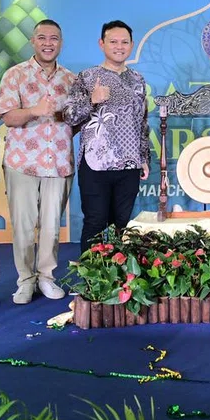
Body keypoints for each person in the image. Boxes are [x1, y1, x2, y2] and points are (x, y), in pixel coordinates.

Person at [0, 19, 76, 304]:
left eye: (53, 38)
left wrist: (65, 118)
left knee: (52, 225)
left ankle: (46, 277)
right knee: (24, 225)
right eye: (42, 37)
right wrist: (34, 110)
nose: (47, 43)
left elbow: (76, 122)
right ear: (32, 41)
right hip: (22, 162)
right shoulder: (14, 75)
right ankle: (25, 280)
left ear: (61, 43)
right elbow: (7, 116)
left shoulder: (71, 79)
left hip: (58, 162)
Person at [63, 20, 150, 251]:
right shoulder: (87, 77)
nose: (119, 46)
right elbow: (70, 116)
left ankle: (119, 283)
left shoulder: (138, 80)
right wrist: (93, 99)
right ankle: (92, 283)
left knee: (122, 225)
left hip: (130, 163)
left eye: (124, 42)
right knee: (95, 221)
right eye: (113, 41)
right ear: (102, 44)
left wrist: (144, 158)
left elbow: (142, 121)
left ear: (131, 45)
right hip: (96, 163)